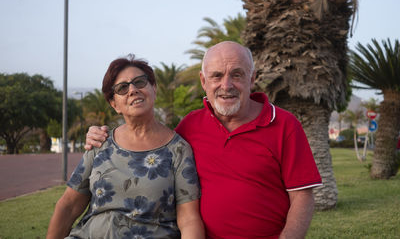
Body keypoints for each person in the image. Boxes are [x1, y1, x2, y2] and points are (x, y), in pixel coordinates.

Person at [86, 41, 322, 238]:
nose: (226, 85)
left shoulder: (284, 125)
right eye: (217, 76)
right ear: (203, 81)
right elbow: (147, 148)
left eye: (237, 75)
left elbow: (302, 197)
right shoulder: (190, 126)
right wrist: (101, 134)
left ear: (252, 79)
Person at [47, 55, 205, 239]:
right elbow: (69, 205)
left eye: (140, 82)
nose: (132, 90)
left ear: (153, 88)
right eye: (122, 88)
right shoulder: (101, 143)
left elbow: (188, 219)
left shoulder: (178, 150)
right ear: (114, 104)